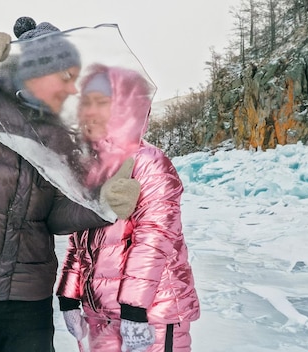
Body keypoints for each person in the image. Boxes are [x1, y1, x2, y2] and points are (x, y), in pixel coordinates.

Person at [0, 18, 140, 352]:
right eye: (66, 77)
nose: (73, 88)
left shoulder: (58, 137)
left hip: (26, 291)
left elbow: (53, 216)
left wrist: (104, 205)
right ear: (37, 71)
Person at [56, 64, 201, 352]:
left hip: (151, 315)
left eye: (102, 102)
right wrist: (69, 296)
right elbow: (79, 240)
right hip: (99, 313)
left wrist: (135, 309)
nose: (91, 111)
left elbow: (155, 236)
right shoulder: (91, 167)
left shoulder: (149, 163)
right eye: (87, 102)